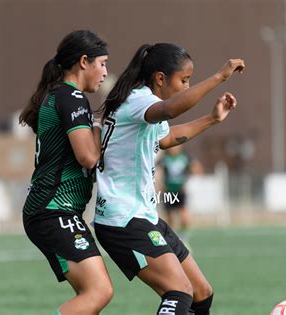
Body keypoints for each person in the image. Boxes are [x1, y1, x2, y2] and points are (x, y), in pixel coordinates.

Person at [94, 43, 244, 315]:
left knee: (201, 294)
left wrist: (212, 119)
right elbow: (172, 110)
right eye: (184, 80)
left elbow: (167, 138)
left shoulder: (144, 104)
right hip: (123, 220)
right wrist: (219, 77)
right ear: (160, 78)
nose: (187, 87)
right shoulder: (139, 100)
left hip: (143, 215)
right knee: (179, 292)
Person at [18, 30, 112, 315]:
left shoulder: (60, 95)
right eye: (103, 63)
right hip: (52, 210)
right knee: (99, 291)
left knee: (90, 297)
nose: (106, 72)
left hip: (54, 210)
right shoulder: (71, 98)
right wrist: (101, 129)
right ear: (84, 61)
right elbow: (87, 157)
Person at [157, 144, 203, 242]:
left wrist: (189, 180)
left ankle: (184, 237)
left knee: (184, 216)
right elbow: (158, 171)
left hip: (181, 191)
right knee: (170, 217)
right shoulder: (165, 158)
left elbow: (197, 169)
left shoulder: (185, 157)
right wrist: (160, 184)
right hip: (168, 191)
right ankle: (171, 238)